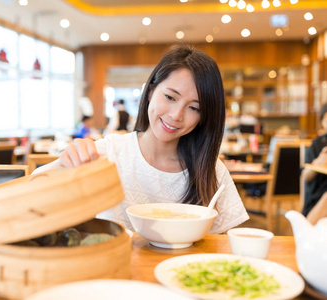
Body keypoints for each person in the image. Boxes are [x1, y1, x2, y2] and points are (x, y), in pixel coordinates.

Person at [34, 45, 249, 233]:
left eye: (194, 108)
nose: (176, 115)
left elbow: (224, 247)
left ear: (204, 117)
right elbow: (35, 195)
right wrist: (65, 165)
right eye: (170, 97)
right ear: (150, 92)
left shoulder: (211, 170)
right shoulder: (107, 154)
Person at [302, 104, 327, 219]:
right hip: (319, 196)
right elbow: (305, 176)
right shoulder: (317, 144)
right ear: (322, 122)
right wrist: (318, 162)